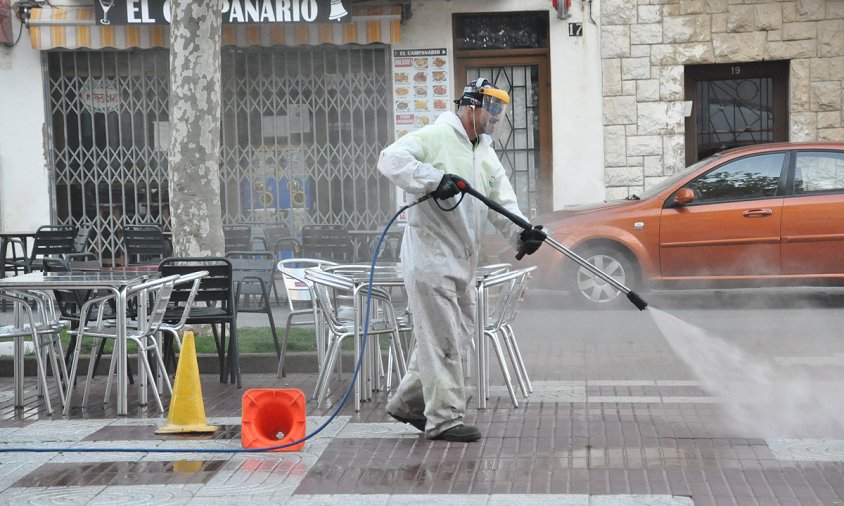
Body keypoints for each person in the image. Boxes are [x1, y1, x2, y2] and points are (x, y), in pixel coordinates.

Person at [377, 78, 546, 442]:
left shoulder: (484, 152)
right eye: (494, 108)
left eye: (503, 109)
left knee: (454, 338)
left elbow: (502, 202)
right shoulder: (435, 137)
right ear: (471, 105)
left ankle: (409, 404)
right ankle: (444, 419)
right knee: (444, 340)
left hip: (463, 261)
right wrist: (432, 179)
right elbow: (390, 159)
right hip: (430, 258)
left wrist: (522, 233)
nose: (498, 118)